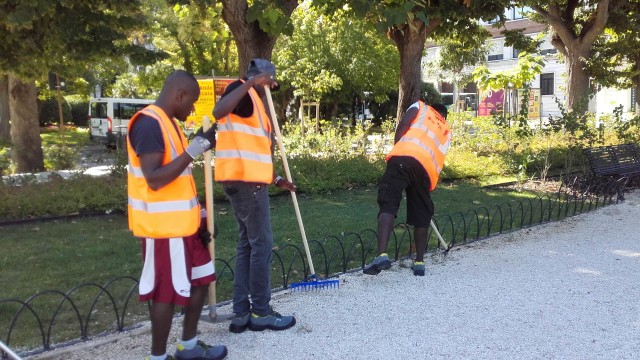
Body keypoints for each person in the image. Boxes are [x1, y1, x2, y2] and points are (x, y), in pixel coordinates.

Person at [126, 70, 227, 360]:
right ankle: (157, 357)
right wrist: (197, 147)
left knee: (201, 277)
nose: (193, 108)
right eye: (192, 102)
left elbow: (182, 179)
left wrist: (203, 216)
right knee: (166, 293)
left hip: (185, 225)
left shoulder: (169, 123)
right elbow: (155, 179)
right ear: (179, 95)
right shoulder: (148, 124)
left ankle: (189, 345)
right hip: (164, 229)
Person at [212, 58, 297, 333]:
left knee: (247, 245)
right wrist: (250, 82)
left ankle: (240, 313)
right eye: (269, 81)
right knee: (262, 245)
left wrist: (277, 179)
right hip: (247, 185)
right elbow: (217, 111)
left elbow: (251, 152)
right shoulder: (241, 91)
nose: (271, 87)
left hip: (243, 181)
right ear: (259, 77)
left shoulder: (254, 102)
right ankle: (261, 312)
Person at [363, 100, 451, 277]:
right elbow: (439, 158)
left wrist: (397, 148)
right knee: (421, 213)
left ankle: (381, 255)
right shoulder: (446, 131)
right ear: (444, 116)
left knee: (388, 201)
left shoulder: (420, 107)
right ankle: (419, 263)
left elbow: (404, 124)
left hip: (403, 158)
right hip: (425, 170)